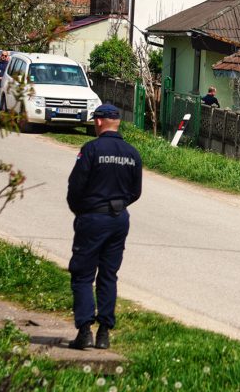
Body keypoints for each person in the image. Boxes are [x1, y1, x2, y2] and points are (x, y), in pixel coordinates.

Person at [66, 104, 142, 350]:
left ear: (99, 122)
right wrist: (117, 206)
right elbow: (135, 191)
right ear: (117, 122)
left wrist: (83, 211)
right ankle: (104, 334)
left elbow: (76, 187)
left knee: (83, 274)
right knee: (108, 276)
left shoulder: (91, 149)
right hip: (119, 220)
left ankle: (85, 330)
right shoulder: (132, 153)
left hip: (92, 219)